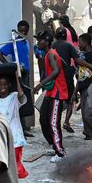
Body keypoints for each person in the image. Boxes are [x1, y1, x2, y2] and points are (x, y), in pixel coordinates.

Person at [33, 31, 68, 163]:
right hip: (51, 92)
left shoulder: (52, 54)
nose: (38, 43)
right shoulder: (48, 54)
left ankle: (60, 153)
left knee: (54, 123)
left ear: (46, 41)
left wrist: (40, 84)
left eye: (40, 40)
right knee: (44, 119)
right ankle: (55, 146)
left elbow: (56, 71)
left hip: (57, 92)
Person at [0, 20, 34, 138]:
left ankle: (23, 127)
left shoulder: (26, 42)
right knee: (18, 98)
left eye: (25, 30)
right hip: (18, 74)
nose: (23, 32)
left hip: (26, 73)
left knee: (24, 99)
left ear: (27, 30)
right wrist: (9, 66)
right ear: (18, 30)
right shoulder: (14, 42)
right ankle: (20, 128)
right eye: (21, 30)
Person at [0, 72, 28, 179]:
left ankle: (14, 177)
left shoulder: (14, 97)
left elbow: (21, 94)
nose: (3, 87)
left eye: (5, 84)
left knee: (16, 162)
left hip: (15, 135)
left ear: (9, 85)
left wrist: (17, 76)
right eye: (0, 85)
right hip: (1, 135)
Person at [52, 27, 79, 133]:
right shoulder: (69, 45)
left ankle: (56, 121)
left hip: (56, 76)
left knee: (57, 100)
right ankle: (66, 121)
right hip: (67, 76)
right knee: (70, 100)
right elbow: (76, 59)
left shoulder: (52, 45)